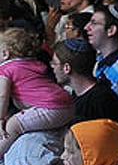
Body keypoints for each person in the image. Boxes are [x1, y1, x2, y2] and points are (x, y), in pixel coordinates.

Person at [0, 25, 74, 157]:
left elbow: (2, 95)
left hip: (51, 108)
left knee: (13, 124)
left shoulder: (6, 68)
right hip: (68, 105)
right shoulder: (34, 64)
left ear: (5, 54)